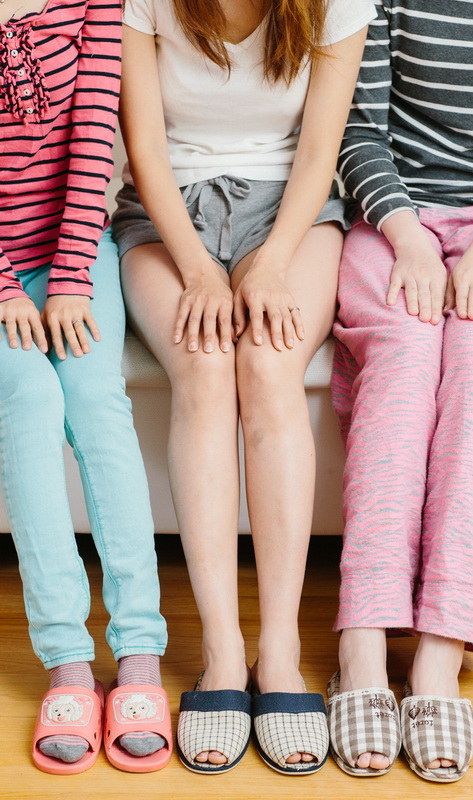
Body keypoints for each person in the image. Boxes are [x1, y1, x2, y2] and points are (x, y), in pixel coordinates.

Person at [112, 0, 374, 776]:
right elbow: (145, 148)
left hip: (291, 213)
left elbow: (319, 152)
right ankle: (222, 653)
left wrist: (271, 261)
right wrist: (199, 269)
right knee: (202, 366)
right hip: (165, 215)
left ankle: (280, 652)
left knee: (266, 364)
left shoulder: (335, 4)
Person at [327, 0, 473, 783]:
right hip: (395, 222)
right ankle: (363, 644)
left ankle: (439, 658)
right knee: (406, 362)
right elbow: (357, 129)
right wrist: (407, 235)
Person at [0, 0, 171, 775]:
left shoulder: (97, 3)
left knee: (97, 401)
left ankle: (139, 655)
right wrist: (5, 287)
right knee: (30, 401)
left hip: (74, 253)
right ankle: (67, 663)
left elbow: (95, 139)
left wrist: (70, 275)